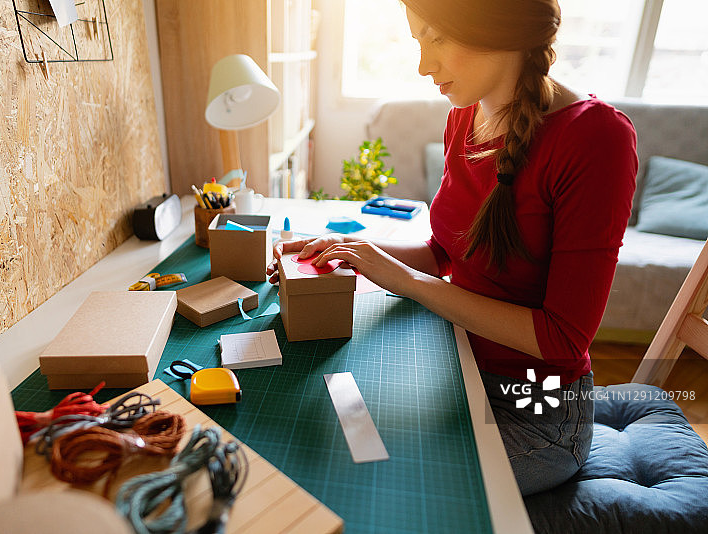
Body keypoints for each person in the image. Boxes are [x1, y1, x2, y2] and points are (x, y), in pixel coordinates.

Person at [266, 0, 638, 496]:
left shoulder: (596, 138)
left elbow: (562, 339)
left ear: (499, 25)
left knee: (374, 488)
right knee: (317, 436)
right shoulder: (464, 116)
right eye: (418, 41)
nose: (423, 65)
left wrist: (410, 282)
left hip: (538, 413)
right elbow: (447, 251)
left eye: (436, 39)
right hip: (457, 366)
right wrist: (351, 250)